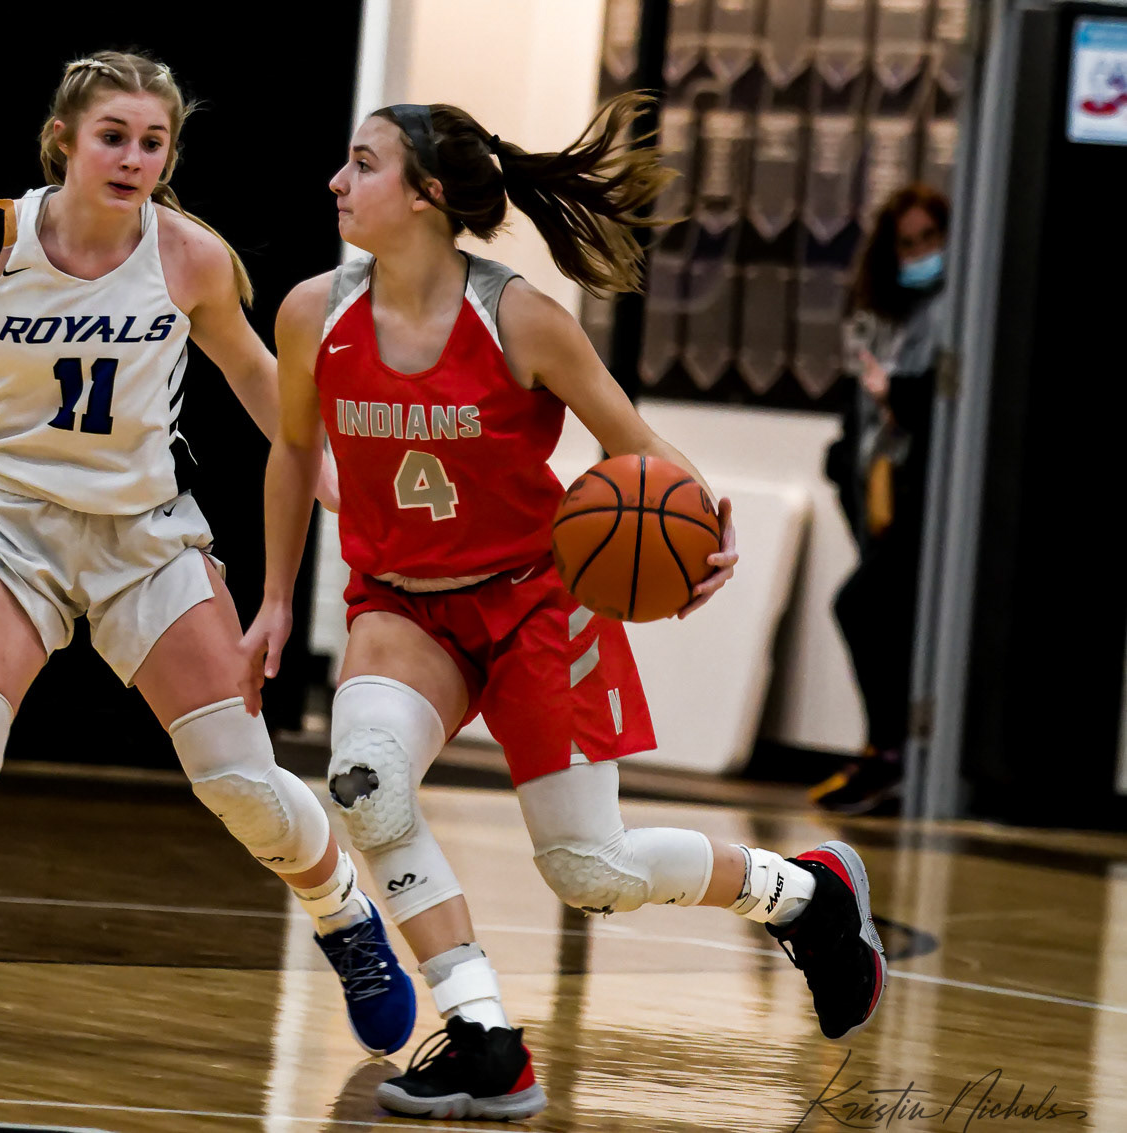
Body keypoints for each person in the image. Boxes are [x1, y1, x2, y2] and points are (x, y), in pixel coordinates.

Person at [239, 96, 888, 1121]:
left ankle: (805, 894)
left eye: (361, 164)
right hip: (400, 607)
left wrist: (705, 529)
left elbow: (635, 444)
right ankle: (484, 1035)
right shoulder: (313, 311)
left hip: (534, 602)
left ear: (427, 194)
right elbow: (291, 449)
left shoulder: (519, 318)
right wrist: (275, 596)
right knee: (366, 786)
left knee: (591, 870)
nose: (336, 182)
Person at [0, 50, 417, 1054]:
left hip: (146, 539)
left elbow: (256, 374)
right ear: (63, 140)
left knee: (239, 782)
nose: (134, 158)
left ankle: (346, 918)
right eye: (113, 137)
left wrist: (325, 472)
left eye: (152, 142)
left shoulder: (190, 256)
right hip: (9, 529)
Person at [814, 184, 950, 816]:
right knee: (875, 616)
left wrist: (896, 395)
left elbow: (935, 408)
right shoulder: (888, 323)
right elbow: (859, 419)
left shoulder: (953, 315)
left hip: (931, 511)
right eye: (909, 243)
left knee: (860, 606)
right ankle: (883, 749)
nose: (922, 253)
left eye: (931, 238)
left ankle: (892, 751)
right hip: (884, 503)